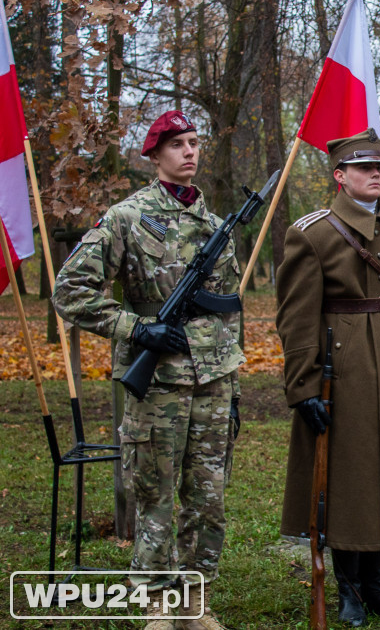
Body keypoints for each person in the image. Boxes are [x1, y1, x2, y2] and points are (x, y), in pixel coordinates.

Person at [52, 110, 243, 630]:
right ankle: (157, 603)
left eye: (195, 142)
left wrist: (233, 379)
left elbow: (228, 307)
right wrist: (136, 329)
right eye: (177, 143)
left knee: (208, 498)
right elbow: (69, 293)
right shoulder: (126, 217)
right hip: (156, 383)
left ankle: (195, 603)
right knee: (155, 493)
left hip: (212, 379)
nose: (189, 151)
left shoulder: (215, 223)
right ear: (155, 154)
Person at [276, 128, 380, 627]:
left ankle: (378, 583)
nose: (375, 175)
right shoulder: (313, 233)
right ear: (339, 176)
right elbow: (296, 318)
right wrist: (303, 387)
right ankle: (346, 586)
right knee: (349, 477)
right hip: (341, 368)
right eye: (364, 168)